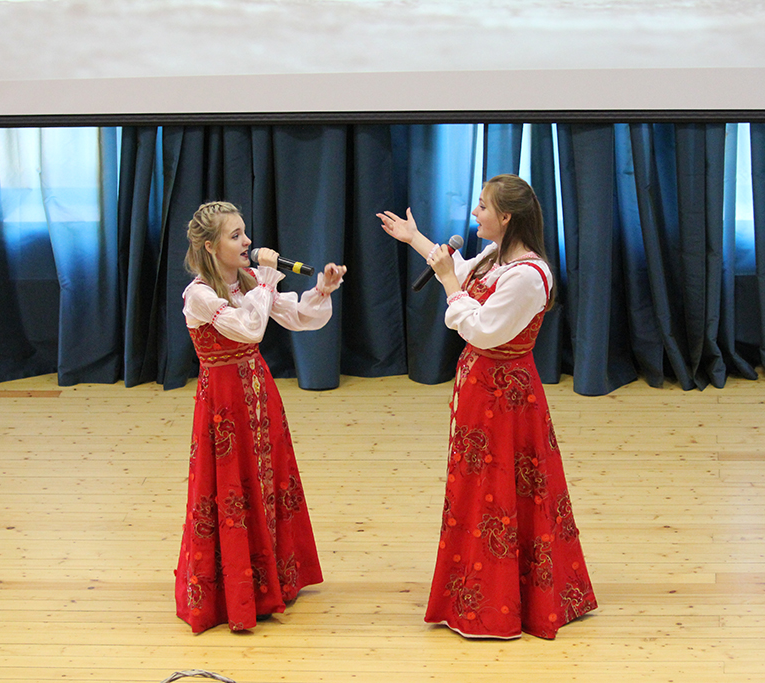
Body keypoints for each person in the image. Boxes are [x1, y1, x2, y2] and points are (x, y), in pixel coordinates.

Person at [378, 174, 596, 640]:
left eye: (482, 206)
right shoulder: (496, 257)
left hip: (506, 396)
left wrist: (446, 284)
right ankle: (474, 589)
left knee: (500, 489)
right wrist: (415, 238)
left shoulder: (528, 276)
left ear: (507, 216)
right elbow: (459, 271)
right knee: (479, 488)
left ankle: (498, 603)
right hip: (481, 390)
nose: (475, 213)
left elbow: (482, 329)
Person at [175, 200, 346, 633]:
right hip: (223, 404)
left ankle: (273, 578)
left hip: (258, 393)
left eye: (245, 232)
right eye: (236, 235)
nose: (247, 241)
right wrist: (267, 278)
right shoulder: (200, 294)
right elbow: (249, 327)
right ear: (211, 246)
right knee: (231, 486)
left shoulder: (249, 281)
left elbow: (300, 317)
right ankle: (234, 589)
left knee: (267, 479)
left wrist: (322, 290)